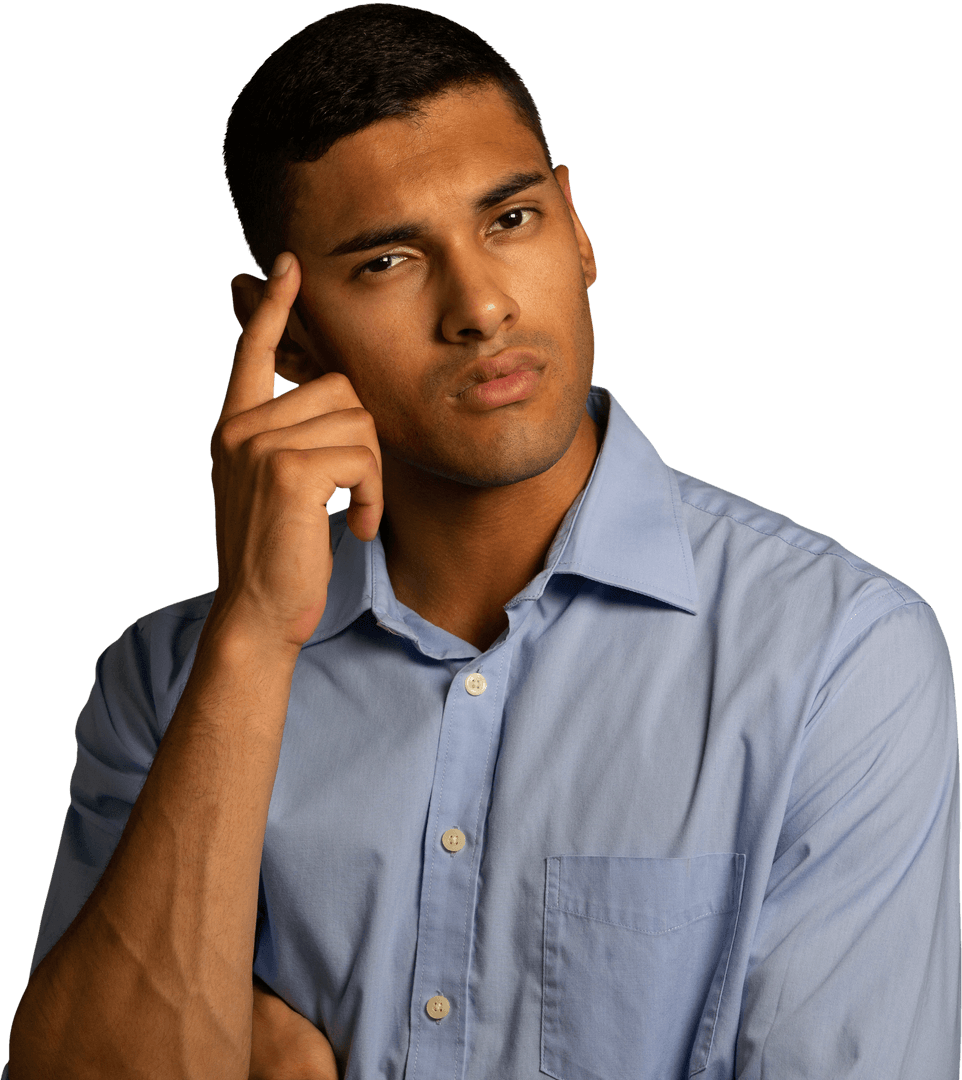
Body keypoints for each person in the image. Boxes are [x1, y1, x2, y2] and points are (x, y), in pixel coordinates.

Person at [6, 4, 959, 1078]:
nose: (480, 306)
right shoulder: (164, 683)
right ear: (287, 332)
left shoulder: (838, 656)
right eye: (386, 262)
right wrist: (254, 638)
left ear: (577, 225)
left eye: (509, 221)